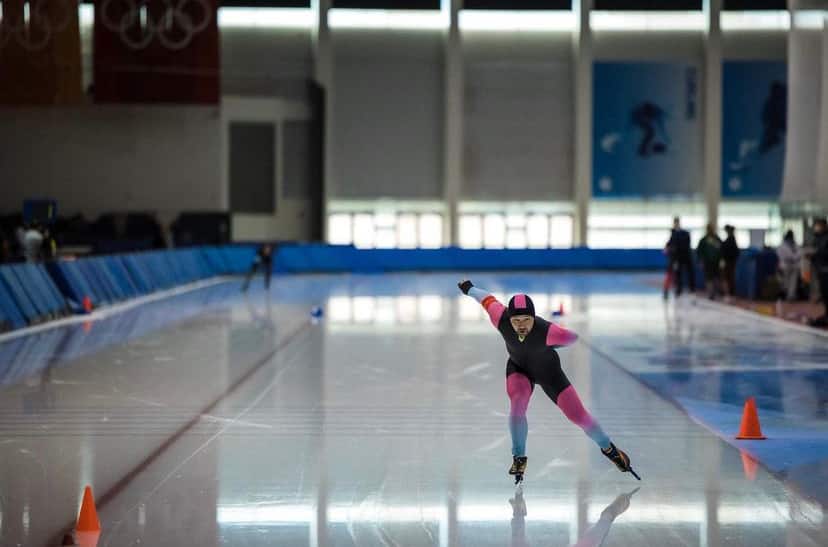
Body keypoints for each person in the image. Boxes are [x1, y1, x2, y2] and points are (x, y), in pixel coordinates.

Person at [458, 280, 638, 483]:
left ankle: (610, 449)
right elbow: (486, 299)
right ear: (509, 318)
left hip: (550, 374)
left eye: (526, 320)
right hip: (519, 370)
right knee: (517, 406)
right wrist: (469, 288)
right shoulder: (500, 318)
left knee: (579, 417)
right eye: (516, 321)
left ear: (534, 317)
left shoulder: (549, 331)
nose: (521, 326)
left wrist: (551, 346)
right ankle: (519, 457)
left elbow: (572, 338)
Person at [666, 217, 695, 296]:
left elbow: (686, 244)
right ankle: (679, 289)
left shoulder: (684, 233)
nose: (676, 224)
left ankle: (691, 288)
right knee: (678, 273)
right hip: (677, 258)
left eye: (676, 222)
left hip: (685, 256)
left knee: (689, 272)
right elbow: (670, 244)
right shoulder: (673, 233)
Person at [697, 224, 723, 300]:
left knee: (716, 277)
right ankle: (711, 293)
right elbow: (699, 252)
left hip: (716, 262)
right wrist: (700, 261)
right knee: (709, 278)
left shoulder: (717, 239)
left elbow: (721, 250)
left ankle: (717, 292)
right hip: (707, 262)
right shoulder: (703, 240)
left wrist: (721, 260)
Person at [810, 219, 828, 327]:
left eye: (818, 226)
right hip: (821, 269)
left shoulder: (825, 238)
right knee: (824, 294)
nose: (817, 227)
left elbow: (823, 252)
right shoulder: (818, 238)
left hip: (826, 269)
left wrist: (816, 254)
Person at [777, 230, 802, 302]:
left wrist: (794, 258)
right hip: (785, 265)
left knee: (793, 282)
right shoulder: (782, 246)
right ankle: (785, 295)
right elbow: (781, 255)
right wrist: (791, 257)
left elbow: (799, 253)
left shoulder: (795, 245)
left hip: (795, 265)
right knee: (786, 282)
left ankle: (791, 296)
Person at [721, 225, 740, 298]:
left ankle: (731, 293)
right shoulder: (729, 239)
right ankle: (729, 293)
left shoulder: (731, 240)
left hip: (730, 262)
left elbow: (735, 252)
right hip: (728, 261)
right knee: (728, 278)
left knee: (729, 278)